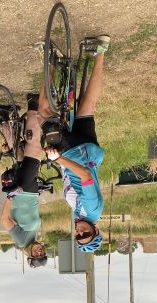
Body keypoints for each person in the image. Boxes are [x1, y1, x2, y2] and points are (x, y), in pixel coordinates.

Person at [39, 35, 110, 253]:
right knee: (43, 112)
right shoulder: (92, 210)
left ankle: (100, 51)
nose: (79, 232)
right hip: (75, 154)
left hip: (89, 153)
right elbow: (85, 177)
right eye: (85, 235)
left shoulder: (81, 215)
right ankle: (49, 60)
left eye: (78, 237)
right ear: (95, 230)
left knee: (87, 106)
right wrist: (59, 159)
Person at [0, 94, 48, 268]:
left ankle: (33, 104)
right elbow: (28, 212)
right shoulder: (33, 237)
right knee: (19, 156)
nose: (39, 251)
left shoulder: (21, 240)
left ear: (29, 255)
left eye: (36, 255)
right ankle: (3, 118)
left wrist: (10, 197)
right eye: (42, 253)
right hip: (30, 191)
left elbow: (5, 221)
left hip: (22, 190)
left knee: (34, 150)